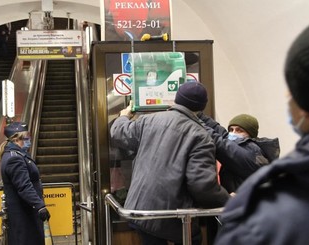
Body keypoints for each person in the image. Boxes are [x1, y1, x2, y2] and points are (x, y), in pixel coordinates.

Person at [214, 25, 309, 244]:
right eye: (232, 129)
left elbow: (224, 147)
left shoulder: (262, 216)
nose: (234, 134)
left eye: (291, 90)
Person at [110, 82, 230, 245]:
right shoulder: (201, 137)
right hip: (169, 216)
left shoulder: (148, 120)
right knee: (193, 238)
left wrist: (124, 115)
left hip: (138, 210)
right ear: (201, 107)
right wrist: (228, 201)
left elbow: (118, 132)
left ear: (177, 99)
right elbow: (202, 185)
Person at [0, 122, 50, 245]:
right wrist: (40, 206)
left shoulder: (16, 155)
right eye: (26, 138)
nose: (28, 140)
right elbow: (24, 186)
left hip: (25, 211)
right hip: (24, 213)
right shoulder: (14, 158)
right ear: (16, 139)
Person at [198, 113, 280, 193]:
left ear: (250, 135)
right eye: (231, 130)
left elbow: (219, 142)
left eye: (239, 130)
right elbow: (218, 129)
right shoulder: (239, 144)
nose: (233, 133)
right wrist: (198, 114)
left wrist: (195, 120)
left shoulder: (252, 151)